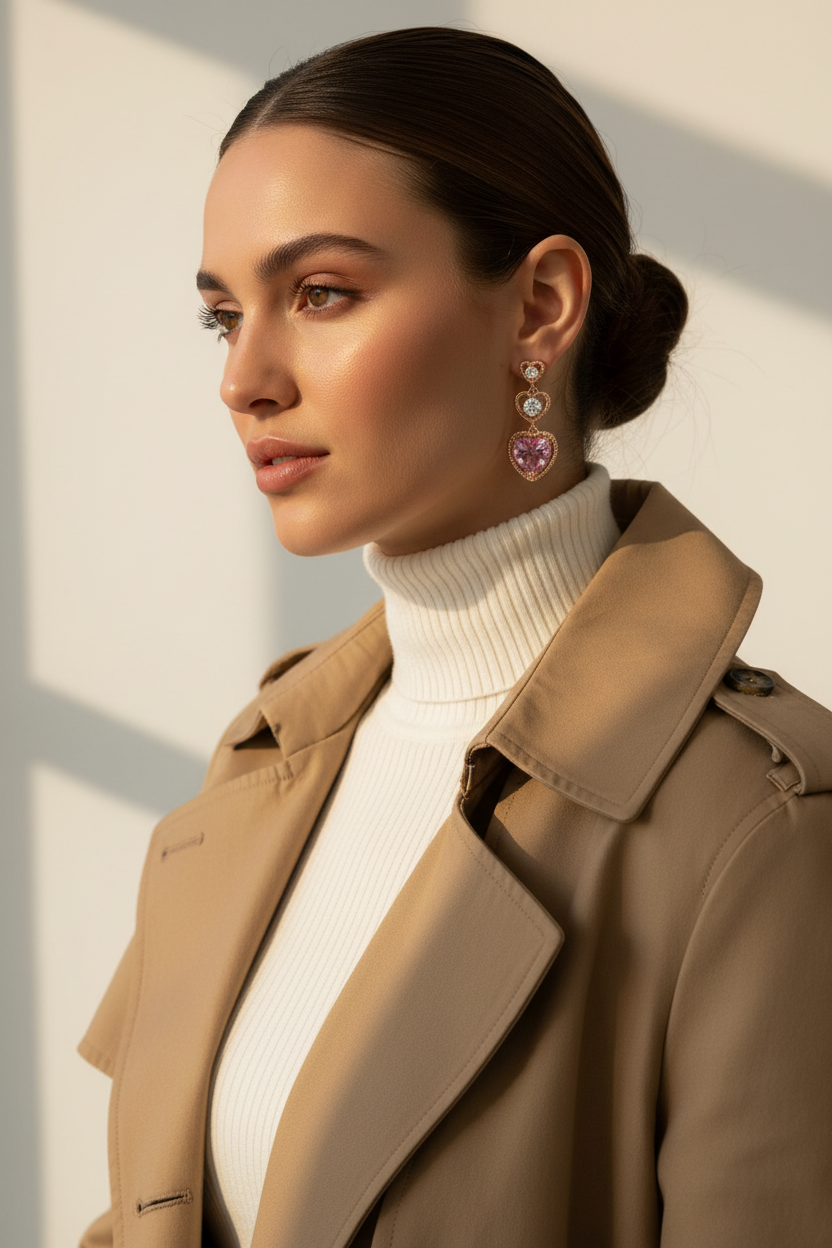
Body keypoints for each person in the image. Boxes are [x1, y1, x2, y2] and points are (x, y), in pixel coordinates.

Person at [78, 26, 832, 1248]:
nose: (245, 378)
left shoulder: (761, 824)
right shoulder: (263, 763)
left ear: (540, 306)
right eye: (224, 316)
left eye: (321, 293)